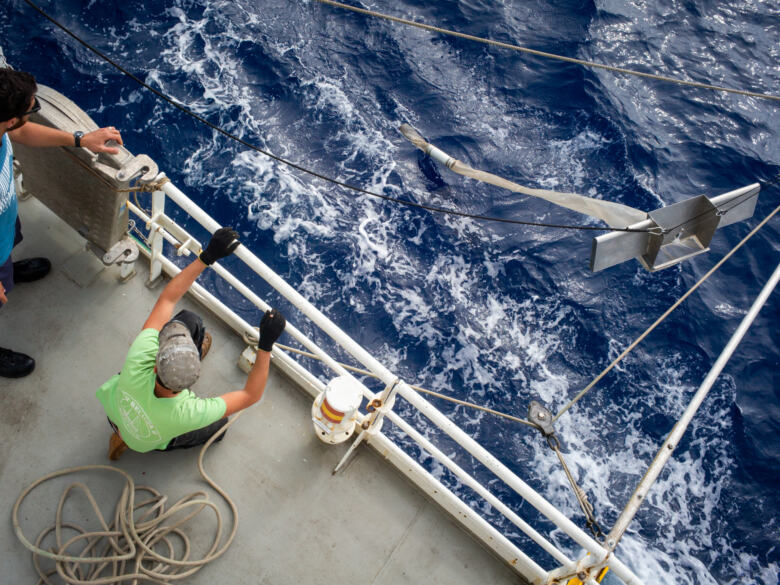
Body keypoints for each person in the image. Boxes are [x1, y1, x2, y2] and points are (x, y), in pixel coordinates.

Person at [97, 227, 286, 460]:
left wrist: (206, 256)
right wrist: (266, 345)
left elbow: (168, 298)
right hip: (146, 440)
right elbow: (251, 395)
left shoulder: (140, 359)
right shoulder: (190, 413)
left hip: (115, 415)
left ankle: (120, 436)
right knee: (219, 427)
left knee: (189, 321)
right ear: (190, 384)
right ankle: (128, 439)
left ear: (155, 366)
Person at [0, 67, 123, 378]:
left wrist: (80, 139)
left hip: (4, 225)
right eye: (32, 109)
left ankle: (8, 269)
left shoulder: (4, 128)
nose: (34, 112)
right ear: (11, 117)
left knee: (8, 249)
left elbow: (21, 133)